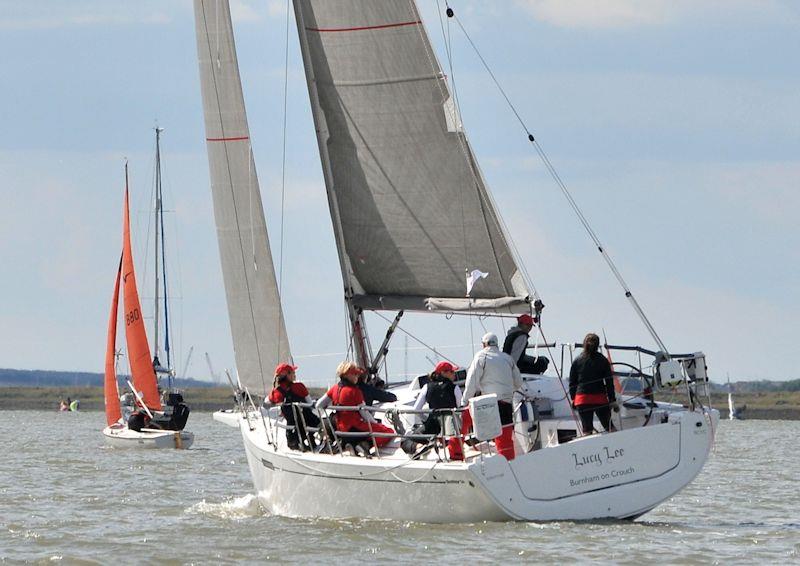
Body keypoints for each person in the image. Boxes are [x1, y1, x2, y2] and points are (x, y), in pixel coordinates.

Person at [463, 333, 523, 460]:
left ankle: (457, 452)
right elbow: (518, 383)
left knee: (467, 422)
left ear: (484, 344)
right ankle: (508, 462)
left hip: (489, 404)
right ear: (496, 344)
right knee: (505, 437)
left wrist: (464, 401)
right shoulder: (507, 358)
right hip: (506, 404)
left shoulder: (481, 356)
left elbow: (471, 382)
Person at [315, 362, 395, 455]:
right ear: (347, 375)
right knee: (388, 432)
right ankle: (364, 445)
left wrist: (330, 406)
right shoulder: (355, 391)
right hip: (354, 427)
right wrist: (376, 424)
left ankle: (347, 444)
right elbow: (365, 413)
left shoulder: (334, 388)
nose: (357, 376)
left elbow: (318, 405)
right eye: (355, 374)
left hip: (340, 428)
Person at [405, 361, 469, 460]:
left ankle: (419, 447)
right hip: (450, 427)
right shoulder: (454, 388)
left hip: (433, 425)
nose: (454, 374)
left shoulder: (427, 387)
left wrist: (425, 421)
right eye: (451, 372)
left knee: (405, 440)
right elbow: (460, 409)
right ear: (443, 373)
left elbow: (416, 409)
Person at [569, 333, 617, 435]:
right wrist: (612, 400)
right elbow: (609, 382)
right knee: (610, 428)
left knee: (587, 431)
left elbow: (572, 382)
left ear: (584, 344)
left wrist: (573, 399)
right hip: (599, 398)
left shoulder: (577, 361)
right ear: (597, 345)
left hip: (582, 400)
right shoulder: (603, 360)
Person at [268, 363, 320, 451]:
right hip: (308, 423)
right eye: (292, 372)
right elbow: (310, 403)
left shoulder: (275, 392)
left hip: (292, 428)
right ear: (286, 375)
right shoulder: (299, 387)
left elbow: (266, 404)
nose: (294, 374)